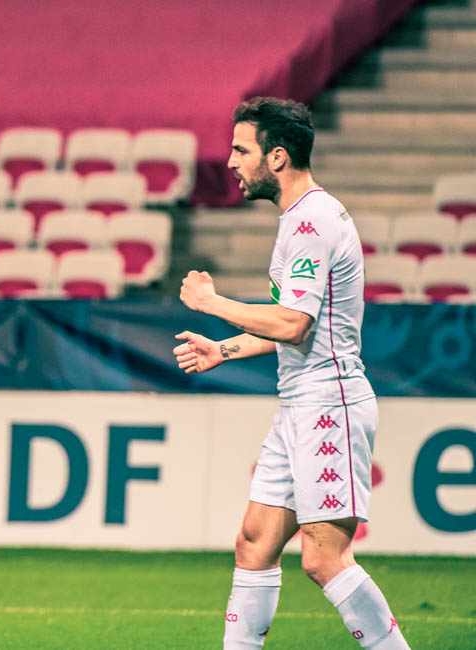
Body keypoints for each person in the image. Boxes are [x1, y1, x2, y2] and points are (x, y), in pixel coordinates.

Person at [173, 97, 409, 649]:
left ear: (277, 157)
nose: (231, 162)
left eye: (242, 150)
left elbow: (293, 324)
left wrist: (211, 303)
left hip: (329, 404)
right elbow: (293, 324)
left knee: (325, 559)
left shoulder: (311, 222)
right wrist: (223, 350)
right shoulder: (302, 218)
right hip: (301, 403)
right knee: (254, 543)